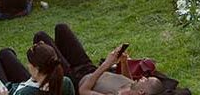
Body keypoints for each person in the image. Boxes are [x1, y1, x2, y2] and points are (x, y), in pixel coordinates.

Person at [25, 24, 165, 95]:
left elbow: (83, 90)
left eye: (145, 80)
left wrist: (106, 64)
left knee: (41, 37)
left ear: (141, 92)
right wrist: (123, 62)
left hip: (75, 79)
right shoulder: (133, 87)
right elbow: (126, 79)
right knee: (61, 28)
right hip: (89, 68)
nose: (142, 78)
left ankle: (39, 70)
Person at [0, 43, 74, 95]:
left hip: (8, 92)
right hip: (28, 85)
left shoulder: (26, 93)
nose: (27, 65)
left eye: (29, 63)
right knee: (5, 53)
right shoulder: (65, 82)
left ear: (36, 69)